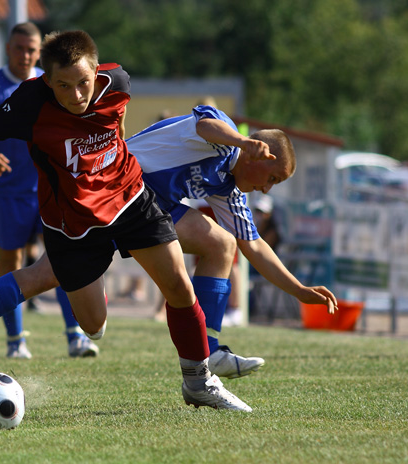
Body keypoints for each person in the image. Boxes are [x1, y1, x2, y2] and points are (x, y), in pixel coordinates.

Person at [0, 30, 252, 411]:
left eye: (83, 83)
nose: (77, 95)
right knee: (92, 325)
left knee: (179, 285)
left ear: (97, 72)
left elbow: (118, 125)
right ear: (46, 80)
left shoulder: (119, 83)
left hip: (130, 200)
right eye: (63, 86)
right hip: (72, 224)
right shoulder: (29, 104)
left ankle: (198, 381)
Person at [126, 104, 338, 378]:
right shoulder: (224, 138)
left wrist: (298, 289)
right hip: (109, 186)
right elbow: (205, 125)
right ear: (255, 154)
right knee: (80, 304)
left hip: (142, 204)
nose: (266, 189)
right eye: (272, 178)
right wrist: (242, 141)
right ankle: (206, 353)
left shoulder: (228, 188)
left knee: (222, 244)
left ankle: (209, 351)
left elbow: (254, 244)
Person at [0, 22, 99, 359]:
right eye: (20, 48)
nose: (26, 55)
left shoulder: (51, 82)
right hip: (6, 193)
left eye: (32, 49)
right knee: (11, 261)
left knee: (62, 258)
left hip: (51, 188)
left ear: (41, 52)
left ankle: (76, 336)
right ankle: (16, 341)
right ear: (9, 49)